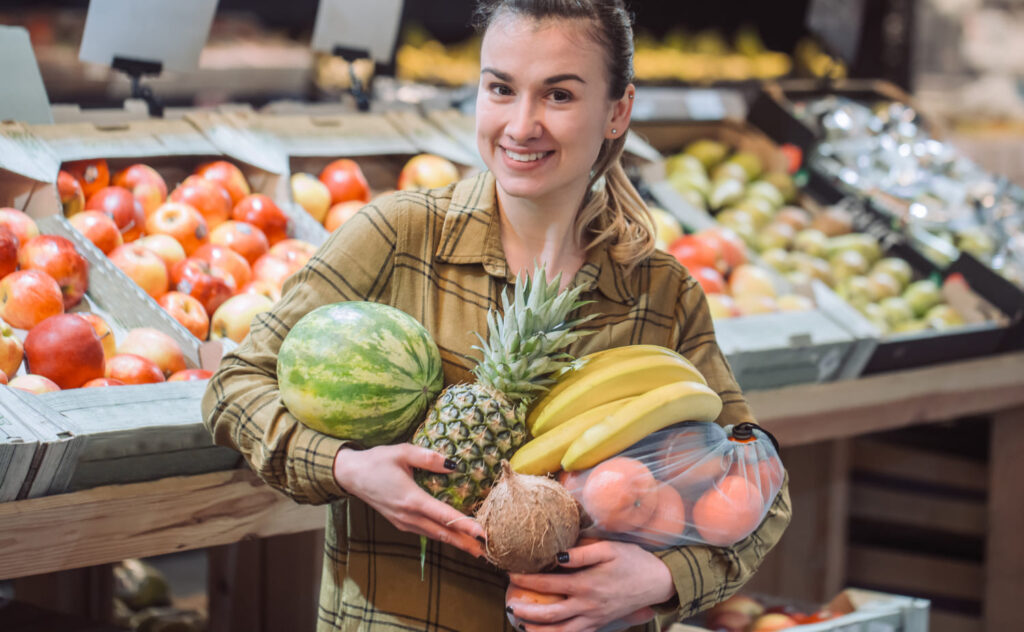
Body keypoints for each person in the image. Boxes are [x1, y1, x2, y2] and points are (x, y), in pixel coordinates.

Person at [202, 0, 792, 630]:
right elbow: (235, 385)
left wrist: (662, 579)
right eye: (501, 89)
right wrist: (347, 468)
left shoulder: (660, 293)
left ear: (617, 111)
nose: (521, 125)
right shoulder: (401, 236)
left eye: (559, 95)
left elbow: (762, 488)